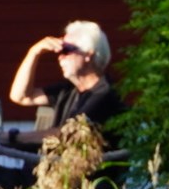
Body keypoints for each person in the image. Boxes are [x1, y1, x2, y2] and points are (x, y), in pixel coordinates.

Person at [11, 20, 126, 151]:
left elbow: (68, 134)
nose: (60, 57)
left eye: (66, 50)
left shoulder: (105, 94)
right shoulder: (69, 90)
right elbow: (21, 97)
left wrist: (13, 137)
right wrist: (34, 52)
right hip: (55, 167)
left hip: (82, 170)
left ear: (88, 54)